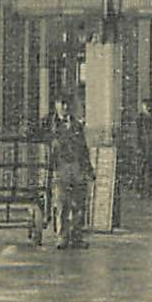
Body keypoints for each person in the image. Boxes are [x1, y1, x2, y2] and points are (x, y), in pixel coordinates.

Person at [50, 98, 93, 249]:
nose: (65, 107)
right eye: (61, 104)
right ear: (56, 106)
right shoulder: (50, 125)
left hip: (76, 167)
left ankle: (76, 236)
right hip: (60, 168)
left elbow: (83, 148)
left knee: (78, 204)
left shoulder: (77, 126)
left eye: (67, 104)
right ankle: (62, 237)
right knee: (62, 203)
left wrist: (89, 169)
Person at [132, 99, 152, 198]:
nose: (148, 107)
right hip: (143, 149)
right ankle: (139, 191)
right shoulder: (140, 119)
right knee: (140, 171)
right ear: (142, 106)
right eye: (146, 105)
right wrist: (138, 148)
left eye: (150, 105)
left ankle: (150, 191)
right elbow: (137, 134)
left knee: (151, 170)